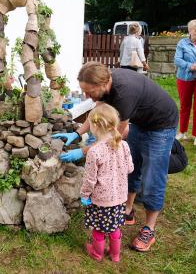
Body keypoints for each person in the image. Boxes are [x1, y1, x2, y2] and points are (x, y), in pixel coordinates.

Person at [52, 62, 178, 252]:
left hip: (161, 125)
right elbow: (96, 113)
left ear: (103, 85)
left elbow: (110, 140)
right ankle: (127, 210)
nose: (86, 96)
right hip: (140, 122)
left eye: (89, 91)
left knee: (153, 177)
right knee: (130, 168)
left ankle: (149, 229)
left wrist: (83, 151)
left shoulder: (124, 94)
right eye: (83, 91)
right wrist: (78, 134)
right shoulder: (105, 86)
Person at [80, 104, 134, 262]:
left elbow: (90, 179)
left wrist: (84, 195)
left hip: (101, 200)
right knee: (115, 227)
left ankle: (97, 254)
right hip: (119, 198)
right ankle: (115, 255)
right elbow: (130, 168)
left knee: (99, 228)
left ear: (94, 126)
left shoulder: (94, 151)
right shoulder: (123, 144)